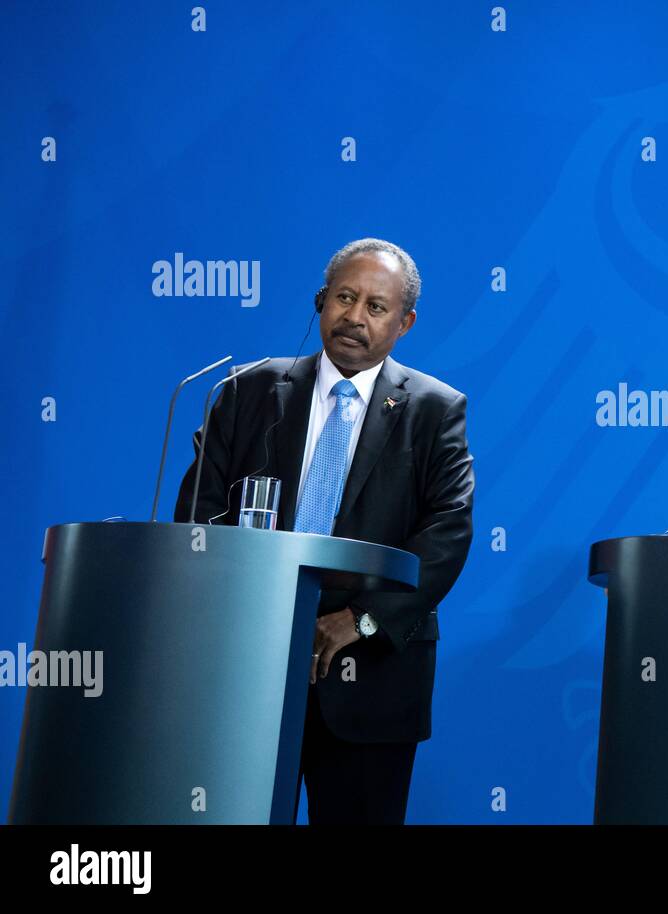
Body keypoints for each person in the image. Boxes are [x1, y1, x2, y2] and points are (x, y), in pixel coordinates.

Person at [175, 238, 474, 824]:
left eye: (376, 306)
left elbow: (447, 535)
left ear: (404, 322)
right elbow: (197, 516)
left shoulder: (436, 411)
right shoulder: (246, 391)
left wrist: (358, 620)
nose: (355, 317)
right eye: (344, 296)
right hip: (246, 669)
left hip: (372, 682)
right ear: (320, 301)